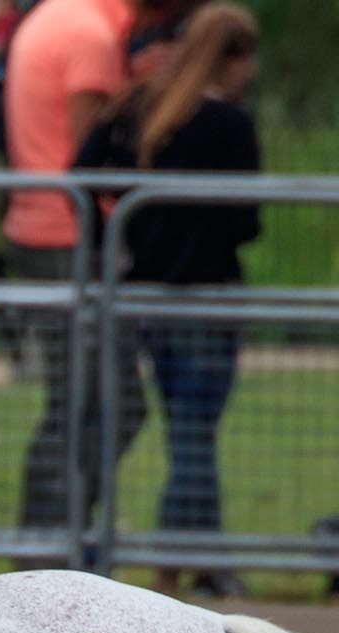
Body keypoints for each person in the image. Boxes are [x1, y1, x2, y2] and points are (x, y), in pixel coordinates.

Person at [75, 1, 259, 595]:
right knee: (194, 433)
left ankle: (189, 559)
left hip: (146, 292)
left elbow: (80, 171)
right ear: (233, 58)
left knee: (172, 427)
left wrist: (117, 233)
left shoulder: (138, 105)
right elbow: (245, 221)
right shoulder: (229, 125)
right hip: (206, 294)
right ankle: (185, 562)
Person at [0, 0, 145, 532]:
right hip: (68, 237)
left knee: (85, 403)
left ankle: (57, 536)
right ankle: (49, 539)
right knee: (99, 405)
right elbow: (93, 154)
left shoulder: (54, 17)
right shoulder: (91, 36)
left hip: (45, 229)